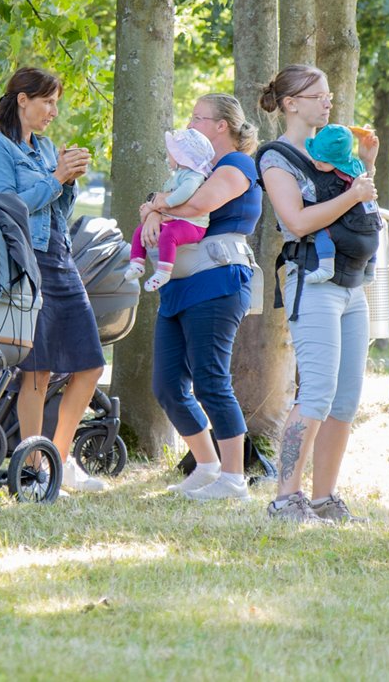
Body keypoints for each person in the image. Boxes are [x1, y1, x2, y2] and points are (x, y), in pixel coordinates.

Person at [0, 66, 109, 494]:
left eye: (56, 102)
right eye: (47, 101)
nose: (53, 111)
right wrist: (55, 179)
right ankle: (33, 470)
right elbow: (5, 207)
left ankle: (61, 458)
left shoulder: (47, 146)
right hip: (27, 263)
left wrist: (67, 181)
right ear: (22, 100)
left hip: (60, 258)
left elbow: (57, 212)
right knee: (36, 369)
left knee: (90, 364)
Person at [256, 65, 380, 523]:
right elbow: (298, 221)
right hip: (314, 282)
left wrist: (365, 165)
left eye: (328, 94)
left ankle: (325, 497)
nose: (328, 102)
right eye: (317, 96)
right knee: (317, 394)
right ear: (290, 104)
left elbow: (358, 209)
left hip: (353, 285)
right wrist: (354, 194)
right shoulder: (276, 159)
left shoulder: (337, 153)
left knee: (345, 399)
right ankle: (287, 498)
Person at [144, 93, 263, 501]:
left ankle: (234, 479)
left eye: (198, 118)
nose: (190, 124)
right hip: (179, 281)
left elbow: (200, 204)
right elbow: (167, 205)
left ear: (221, 127)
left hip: (217, 278)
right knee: (167, 385)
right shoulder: (193, 169)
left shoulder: (237, 165)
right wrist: (154, 210)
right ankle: (208, 464)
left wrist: (155, 208)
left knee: (211, 380)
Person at [124, 128, 216, 292]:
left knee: (169, 235)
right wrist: (155, 208)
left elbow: (185, 192)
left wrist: (164, 204)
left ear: (181, 156)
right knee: (140, 230)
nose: (168, 156)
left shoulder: (194, 175)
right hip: (177, 219)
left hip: (194, 225)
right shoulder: (181, 174)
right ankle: (137, 263)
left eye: (171, 153)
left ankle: (163, 272)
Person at [300, 123, 382, 286]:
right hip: (369, 225)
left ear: (338, 162)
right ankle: (370, 270)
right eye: (314, 157)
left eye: (323, 161)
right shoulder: (358, 167)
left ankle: (326, 266)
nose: (316, 163)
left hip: (350, 226)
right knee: (375, 233)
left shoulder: (331, 180)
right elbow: (367, 178)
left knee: (323, 231)